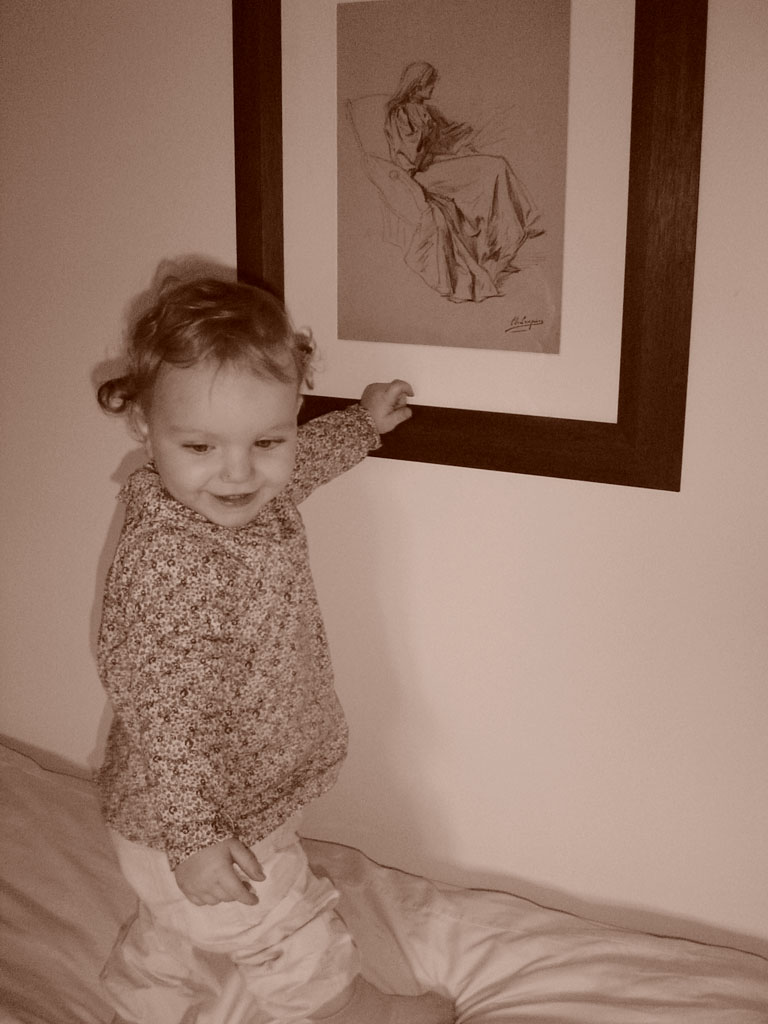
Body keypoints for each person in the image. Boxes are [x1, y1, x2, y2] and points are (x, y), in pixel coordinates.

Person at [95, 269, 454, 1024]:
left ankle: (140, 1001)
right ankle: (345, 1011)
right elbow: (163, 710)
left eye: (266, 440)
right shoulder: (168, 563)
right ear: (145, 427)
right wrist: (196, 840)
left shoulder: (253, 491)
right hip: (195, 814)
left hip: (228, 794)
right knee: (279, 921)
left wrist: (363, 424)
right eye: (200, 444)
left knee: (176, 920)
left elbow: (306, 461)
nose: (238, 472)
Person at [384, 61, 543, 303]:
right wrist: (426, 132)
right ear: (416, 86)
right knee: (489, 171)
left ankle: (507, 237)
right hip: (422, 173)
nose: (433, 88)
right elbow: (410, 158)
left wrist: (464, 133)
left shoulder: (428, 110)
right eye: (429, 84)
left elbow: (446, 138)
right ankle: (506, 236)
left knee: (496, 164)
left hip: (439, 163)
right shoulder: (400, 113)